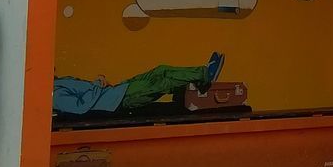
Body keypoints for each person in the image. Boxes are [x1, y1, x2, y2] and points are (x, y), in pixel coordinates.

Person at [53, 52, 225, 115]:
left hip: (119, 89)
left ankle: (202, 78)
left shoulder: (60, 81)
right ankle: (205, 74)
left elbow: (86, 92)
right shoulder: (55, 94)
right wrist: (98, 83)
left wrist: (102, 84)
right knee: (163, 81)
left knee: (161, 69)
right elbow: (80, 107)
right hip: (120, 100)